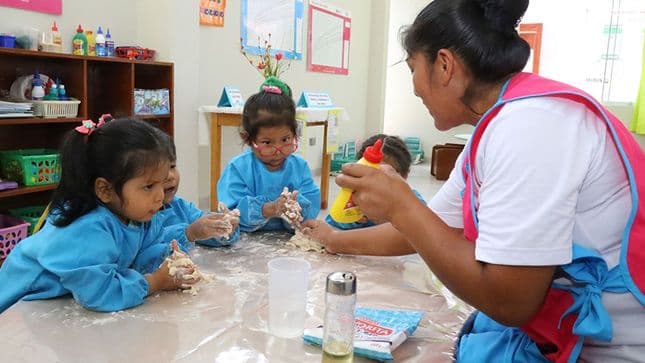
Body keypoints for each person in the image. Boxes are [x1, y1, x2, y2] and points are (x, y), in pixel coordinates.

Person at [305, 1, 645, 362]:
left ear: (445, 65)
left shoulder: (529, 126)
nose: (416, 89)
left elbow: (512, 302)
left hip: (613, 348)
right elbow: (429, 227)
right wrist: (335, 239)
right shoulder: (498, 123)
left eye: (413, 68)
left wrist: (400, 205)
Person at [0, 118, 199, 313]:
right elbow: (99, 294)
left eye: (161, 183)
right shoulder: (88, 227)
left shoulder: (135, 213)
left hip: (62, 299)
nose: (160, 196)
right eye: (148, 186)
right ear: (105, 190)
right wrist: (156, 282)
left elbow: (141, 253)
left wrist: (169, 259)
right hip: (20, 303)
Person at [217, 76, 321, 232]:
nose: (277, 150)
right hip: (247, 243)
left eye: (285, 139)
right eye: (267, 142)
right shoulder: (238, 168)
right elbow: (231, 212)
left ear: (295, 134)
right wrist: (269, 209)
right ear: (248, 139)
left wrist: (295, 210)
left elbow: (311, 206)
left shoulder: (300, 167)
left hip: (288, 241)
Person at [158, 133, 240, 247]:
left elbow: (203, 228)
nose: (170, 176)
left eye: (172, 166)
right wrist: (189, 233)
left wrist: (223, 227)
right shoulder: (136, 220)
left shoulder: (180, 207)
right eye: (160, 171)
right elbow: (149, 246)